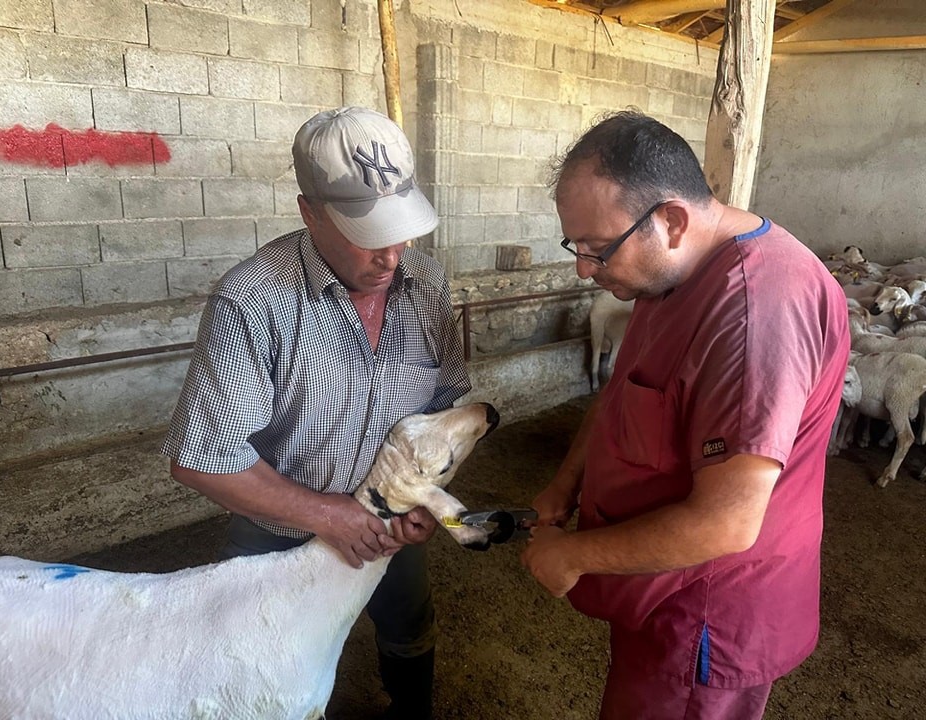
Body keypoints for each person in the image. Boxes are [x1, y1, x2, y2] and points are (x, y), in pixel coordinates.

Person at [520, 110, 850, 720]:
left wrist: (575, 555)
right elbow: (625, 392)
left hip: (705, 614)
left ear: (670, 220)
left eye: (597, 250)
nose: (583, 270)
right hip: (653, 590)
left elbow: (725, 525)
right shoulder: (668, 272)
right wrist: (565, 484)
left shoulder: (754, 316)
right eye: (577, 247)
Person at [162, 106, 471, 720]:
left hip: (393, 524)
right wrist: (327, 513)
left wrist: (421, 501)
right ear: (310, 212)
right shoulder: (252, 301)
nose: (393, 255)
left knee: (408, 626)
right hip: (277, 534)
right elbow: (200, 460)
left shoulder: (427, 284)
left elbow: (443, 413)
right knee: (270, 665)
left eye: (402, 228)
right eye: (368, 233)